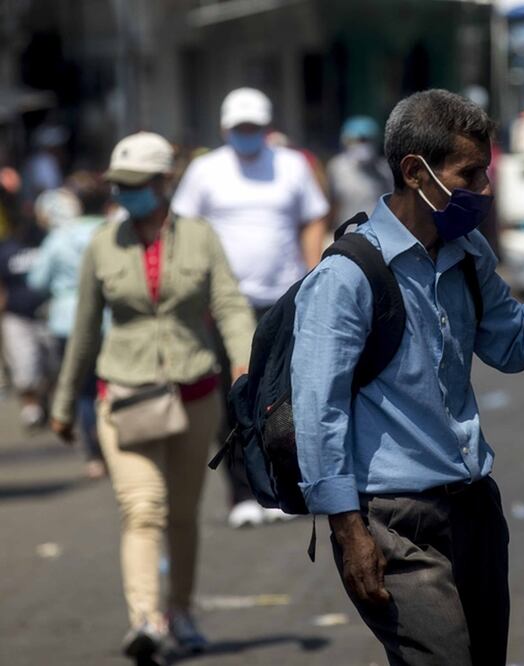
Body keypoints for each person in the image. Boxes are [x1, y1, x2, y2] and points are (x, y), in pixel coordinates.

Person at [291, 89, 524, 666]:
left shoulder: (466, 253)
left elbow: (514, 343)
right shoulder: (346, 277)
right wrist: (349, 533)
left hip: (474, 510)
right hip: (394, 525)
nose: (485, 189)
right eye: (470, 173)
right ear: (414, 171)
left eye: (486, 171)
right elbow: (317, 412)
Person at [49, 132, 255, 663]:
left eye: (139, 184)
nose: (127, 193)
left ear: (165, 183)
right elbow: (85, 330)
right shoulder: (102, 244)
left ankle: (180, 612)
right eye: (120, 185)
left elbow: (230, 305)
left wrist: (243, 362)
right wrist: (63, 404)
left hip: (195, 393)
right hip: (125, 396)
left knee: (182, 514)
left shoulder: (201, 237)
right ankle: (146, 620)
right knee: (143, 509)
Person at [171, 86, 329, 528]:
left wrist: (314, 273)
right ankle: (242, 491)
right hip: (224, 305)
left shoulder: (291, 166)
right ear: (225, 129)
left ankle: (284, 488)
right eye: (240, 128)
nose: (248, 134)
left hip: (282, 299)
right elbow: (183, 227)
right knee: (234, 395)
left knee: (283, 397)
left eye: (254, 128)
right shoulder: (206, 171)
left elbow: (314, 216)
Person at [28, 174, 111, 478]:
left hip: (67, 318)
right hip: (109, 318)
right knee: (112, 383)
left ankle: (94, 454)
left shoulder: (59, 237)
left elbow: (37, 280)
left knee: (85, 389)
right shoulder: (112, 232)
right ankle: (115, 444)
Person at [0, 191, 52, 429]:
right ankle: (30, 407)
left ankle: (47, 401)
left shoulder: (46, 242)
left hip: (47, 313)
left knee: (51, 365)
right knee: (25, 367)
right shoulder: (6, 249)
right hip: (17, 317)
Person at [326, 115, 393, 228]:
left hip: (379, 233)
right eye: (358, 141)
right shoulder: (337, 167)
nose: (362, 145)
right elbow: (331, 203)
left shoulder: (385, 169)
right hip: (347, 233)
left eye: (367, 140)